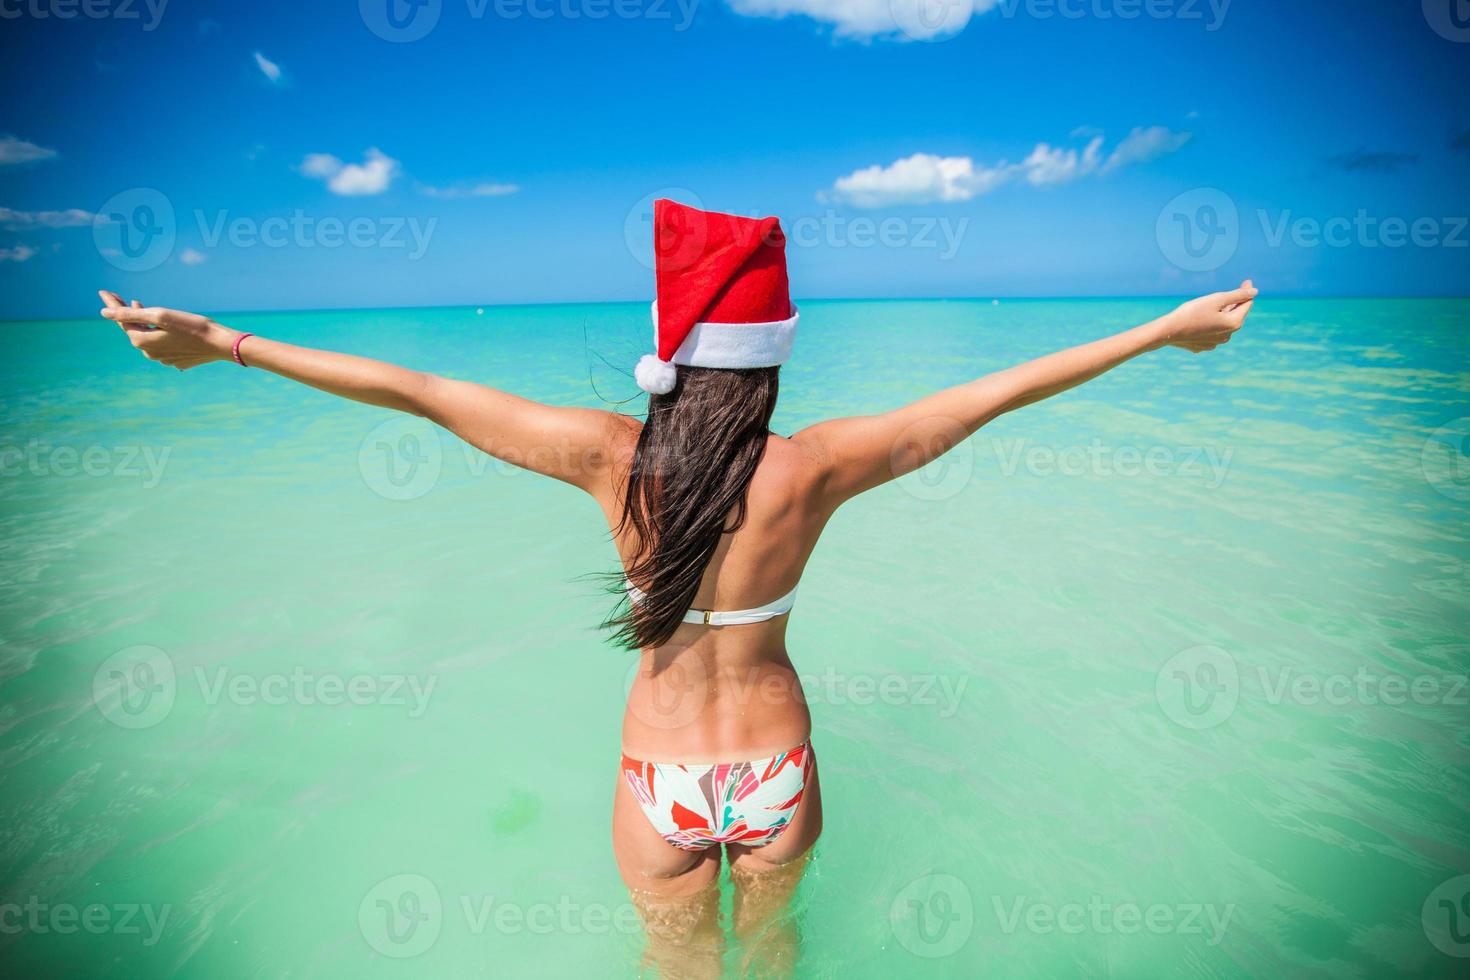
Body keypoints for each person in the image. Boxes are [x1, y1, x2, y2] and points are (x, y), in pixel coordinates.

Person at [98, 199, 1256, 976]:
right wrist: (1161, 328)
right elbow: (990, 393)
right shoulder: (817, 465)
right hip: (777, 773)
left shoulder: (613, 459)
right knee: (773, 952)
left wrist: (228, 341)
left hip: (660, 779)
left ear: (672, 355)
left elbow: (419, 390)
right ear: (771, 359)